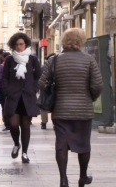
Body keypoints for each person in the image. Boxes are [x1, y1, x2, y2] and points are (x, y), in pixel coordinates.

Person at [39, 28, 103, 187]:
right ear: (81, 41)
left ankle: (63, 179)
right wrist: (90, 98)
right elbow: (98, 85)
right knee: (83, 144)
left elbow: (41, 83)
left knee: (61, 144)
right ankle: (82, 177)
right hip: (83, 111)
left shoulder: (53, 60)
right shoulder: (89, 60)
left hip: (60, 110)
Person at [2, 33, 42, 163]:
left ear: (26, 44)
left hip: (27, 97)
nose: (19, 47)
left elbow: (38, 77)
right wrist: (7, 90)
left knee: (25, 126)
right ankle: (16, 144)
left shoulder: (33, 59)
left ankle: (25, 153)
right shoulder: (9, 59)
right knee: (13, 124)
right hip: (13, 97)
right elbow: (4, 78)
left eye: (21, 44)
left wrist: (34, 88)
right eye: (17, 44)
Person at [39, 53, 56, 130]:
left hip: (47, 88)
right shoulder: (59, 64)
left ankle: (44, 123)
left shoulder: (43, 67)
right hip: (56, 88)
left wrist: (42, 89)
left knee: (44, 106)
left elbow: (42, 80)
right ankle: (54, 123)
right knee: (55, 106)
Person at [0, 52, 11, 131]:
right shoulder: (14, 66)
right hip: (13, 90)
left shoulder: (1, 67)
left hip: (2, 90)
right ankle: (13, 123)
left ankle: (7, 124)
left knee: (4, 106)